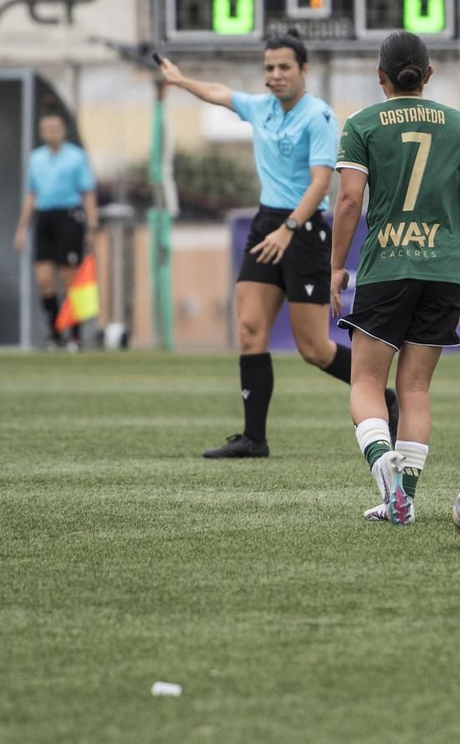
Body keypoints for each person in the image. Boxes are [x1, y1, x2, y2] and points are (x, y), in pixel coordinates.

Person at [159, 34, 394, 458]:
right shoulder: (260, 107)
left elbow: (323, 181)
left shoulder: (318, 116)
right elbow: (220, 94)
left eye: (284, 67)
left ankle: (383, 396)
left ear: (303, 70)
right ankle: (254, 439)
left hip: (302, 230)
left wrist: (288, 228)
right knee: (249, 331)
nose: (275, 75)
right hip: (266, 223)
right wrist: (180, 80)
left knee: (313, 349)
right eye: (269, 68)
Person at [330, 30, 460, 525]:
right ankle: (404, 496)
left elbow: (350, 201)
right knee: (416, 390)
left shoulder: (361, 124)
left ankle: (385, 476)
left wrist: (336, 265)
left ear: (380, 77)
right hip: (444, 268)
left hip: (388, 266)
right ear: (429, 74)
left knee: (366, 382)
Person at [14, 112, 97, 351]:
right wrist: (22, 228)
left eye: (55, 127)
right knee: (44, 279)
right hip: (45, 218)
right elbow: (32, 194)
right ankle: (54, 332)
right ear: (41, 132)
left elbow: (87, 192)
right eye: (47, 128)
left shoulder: (76, 157)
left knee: (70, 278)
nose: (51, 132)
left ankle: (75, 335)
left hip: (69, 216)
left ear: (63, 130)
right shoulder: (36, 158)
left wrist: (92, 224)